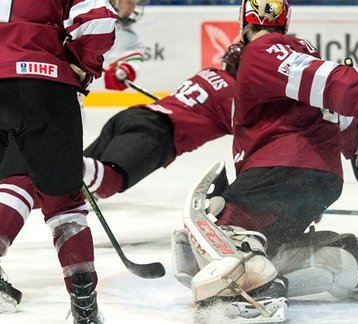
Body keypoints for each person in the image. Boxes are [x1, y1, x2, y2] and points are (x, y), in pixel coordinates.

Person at [183, 0, 358, 322]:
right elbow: (334, 113)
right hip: (319, 179)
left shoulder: (262, 49)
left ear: (244, 23)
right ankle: (347, 261)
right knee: (273, 246)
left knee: (221, 226)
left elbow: (325, 80)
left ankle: (250, 296)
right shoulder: (297, 53)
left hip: (282, 169)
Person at [0, 1, 117, 323]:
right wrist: (80, 66)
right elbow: (99, 18)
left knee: (11, 180)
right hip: (45, 81)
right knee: (65, 205)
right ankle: (84, 304)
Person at [83, 43, 243, 198]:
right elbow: (250, 129)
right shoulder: (234, 94)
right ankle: (60, 157)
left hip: (133, 116)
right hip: (156, 133)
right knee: (107, 183)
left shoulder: (209, 72)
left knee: (73, 184)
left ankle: (63, 167)